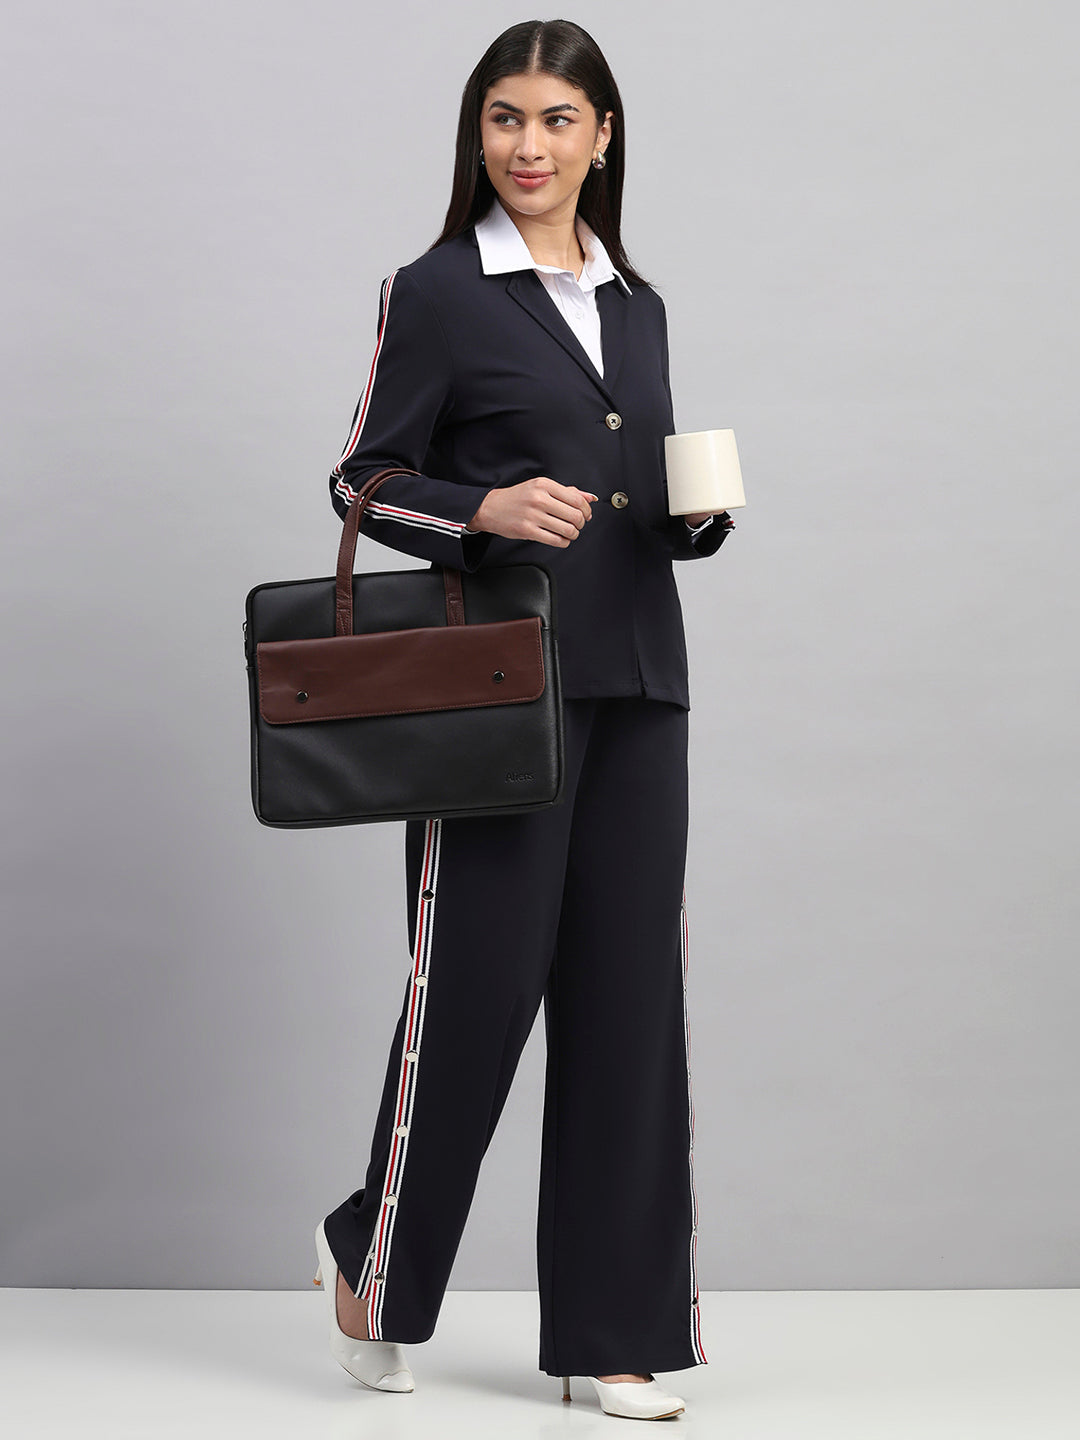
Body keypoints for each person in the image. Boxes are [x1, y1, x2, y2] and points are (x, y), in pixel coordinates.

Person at [310, 18, 736, 1422]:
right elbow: (362, 481)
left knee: (630, 1008)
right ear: (477, 134)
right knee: (473, 996)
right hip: (498, 696)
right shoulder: (437, 291)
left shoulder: (637, 304)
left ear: (602, 137)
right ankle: (375, 1269)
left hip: (641, 686)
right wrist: (481, 509)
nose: (530, 146)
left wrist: (690, 518)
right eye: (506, 118)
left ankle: (617, 1334)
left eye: (558, 120)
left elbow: (628, 495)